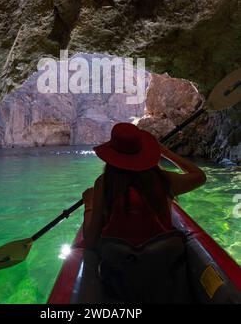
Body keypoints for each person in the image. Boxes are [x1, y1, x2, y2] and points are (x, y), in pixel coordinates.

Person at [82, 122, 207, 303]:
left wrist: (89, 204)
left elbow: (91, 241)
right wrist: (166, 152)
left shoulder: (104, 183)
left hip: (122, 277)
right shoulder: (165, 180)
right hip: (162, 273)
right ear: (146, 153)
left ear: (112, 155)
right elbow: (199, 176)